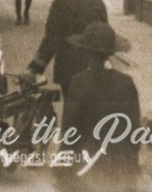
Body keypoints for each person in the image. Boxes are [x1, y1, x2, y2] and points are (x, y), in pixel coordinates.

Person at [59, 22, 140, 191]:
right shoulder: (126, 83)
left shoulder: (78, 83)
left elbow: (70, 132)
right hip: (120, 169)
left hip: (87, 169)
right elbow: (135, 131)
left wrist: (62, 168)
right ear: (111, 53)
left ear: (85, 53)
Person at [26, 0, 108, 99]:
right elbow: (105, 34)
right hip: (93, 67)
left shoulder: (60, 3)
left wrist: (35, 68)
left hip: (68, 67)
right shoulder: (97, 1)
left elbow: (51, 39)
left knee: (72, 111)